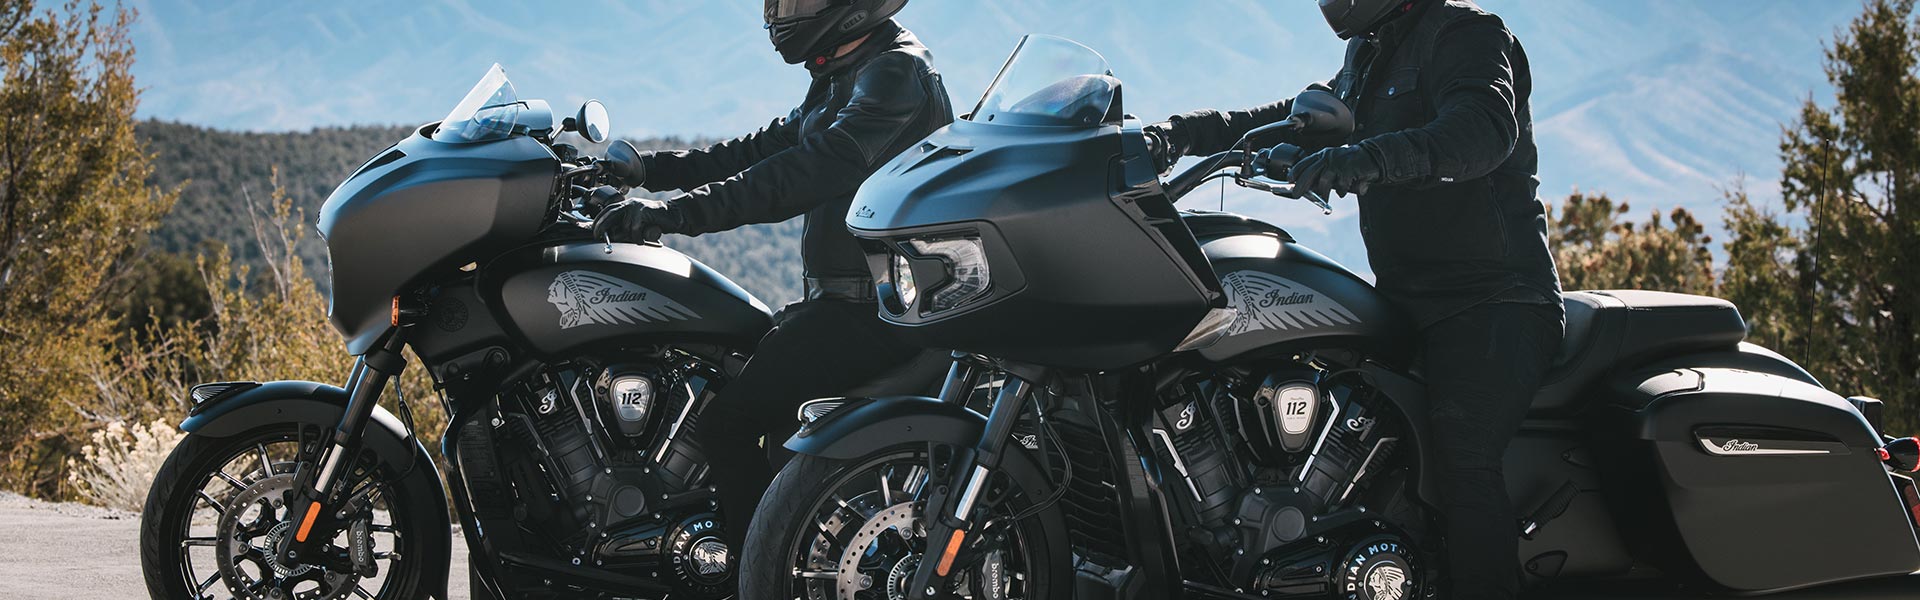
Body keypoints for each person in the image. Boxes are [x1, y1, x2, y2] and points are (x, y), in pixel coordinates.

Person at [1149, 1, 1564, 597]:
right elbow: (1290, 117)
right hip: (1404, 301)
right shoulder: (1372, 51)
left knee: (1463, 459)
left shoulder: (1467, 33)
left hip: (1492, 302)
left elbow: (1480, 131)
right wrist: (1179, 133)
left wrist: (1363, 158)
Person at [591, 0, 951, 553]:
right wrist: (649, 168)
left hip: (878, 312)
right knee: (713, 373)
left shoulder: (895, 74)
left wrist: (672, 215)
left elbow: (801, 174)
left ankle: (753, 573)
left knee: (725, 425)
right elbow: (760, 150)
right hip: (843, 306)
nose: (782, 14)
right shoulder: (847, 70)